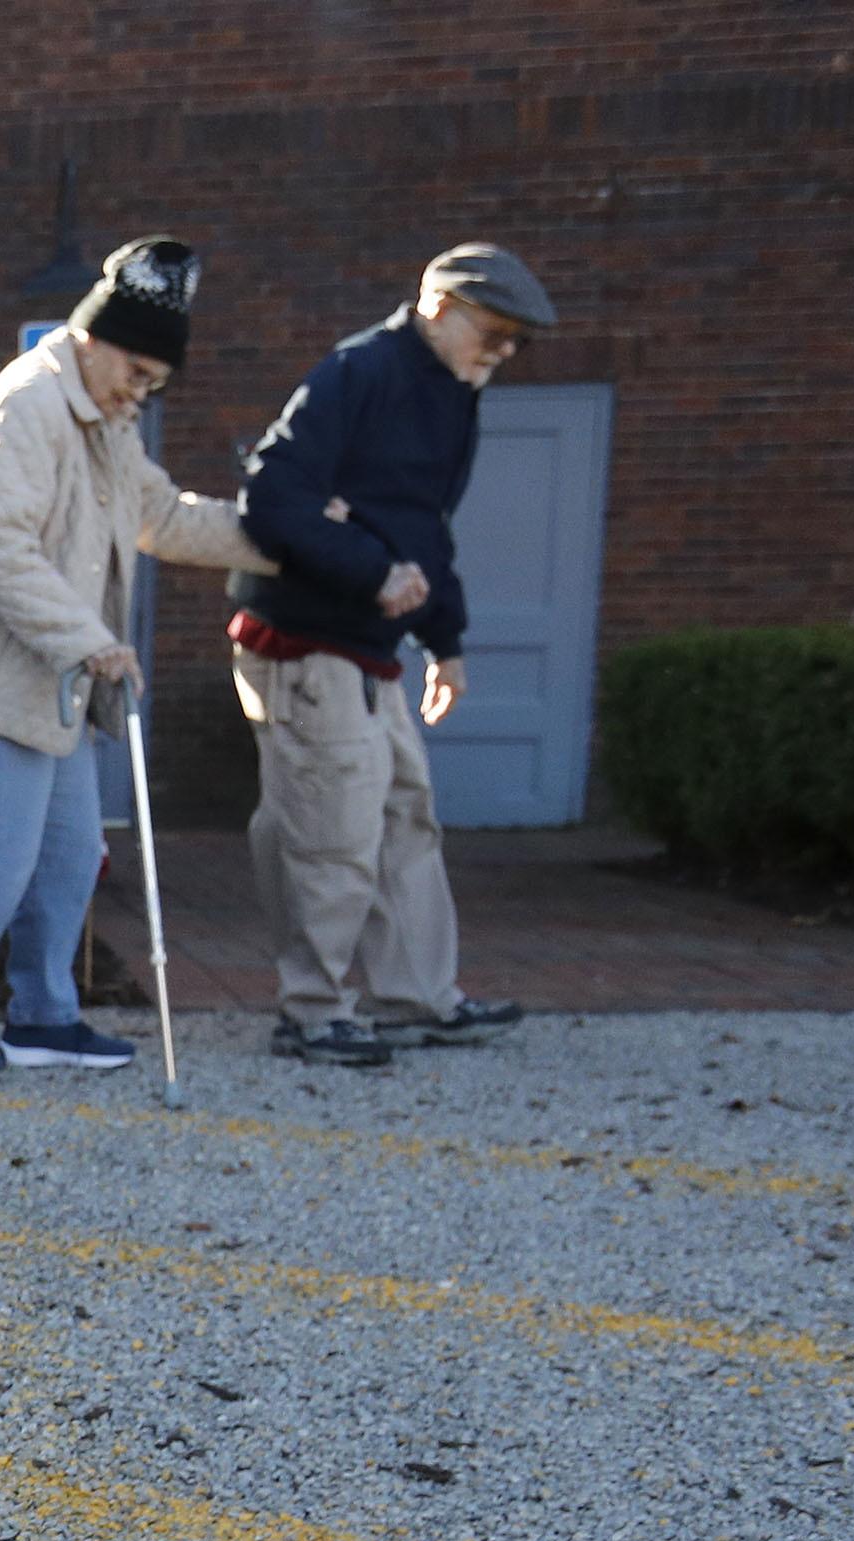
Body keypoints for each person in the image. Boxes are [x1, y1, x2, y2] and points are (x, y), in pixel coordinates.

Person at [0, 237, 275, 1085]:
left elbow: (161, 516)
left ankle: (44, 1019)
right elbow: (1, 545)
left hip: (48, 683)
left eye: (155, 383)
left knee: (66, 854)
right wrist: (88, 641)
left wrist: (288, 540)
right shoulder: (23, 407)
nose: (141, 393)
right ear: (93, 337)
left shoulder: (106, 424)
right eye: (135, 371)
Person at [228, 243, 556, 1066]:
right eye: (495, 333)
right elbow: (271, 497)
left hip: (367, 650)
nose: (503, 354)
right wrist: (373, 573)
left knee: (406, 818)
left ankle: (416, 997)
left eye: (516, 342)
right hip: (302, 641)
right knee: (329, 828)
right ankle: (312, 1010)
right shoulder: (359, 371)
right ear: (440, 306)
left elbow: (425, 528)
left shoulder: (452, 393)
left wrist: (446, 641)